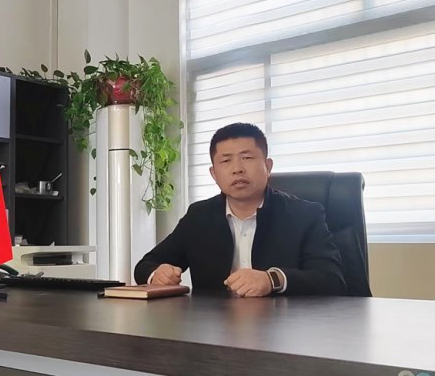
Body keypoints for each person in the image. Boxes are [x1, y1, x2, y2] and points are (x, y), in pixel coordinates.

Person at [134, 123, 345, 297]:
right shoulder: (199, 217)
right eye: (226, 160)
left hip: (284, 328)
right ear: (214, 174)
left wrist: (272, 280)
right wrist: (157, 274)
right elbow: (145, 265)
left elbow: (332, 279)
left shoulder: (304, 215)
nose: (237, 169)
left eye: (247, 158)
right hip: (214, 329)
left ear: (268, 166)